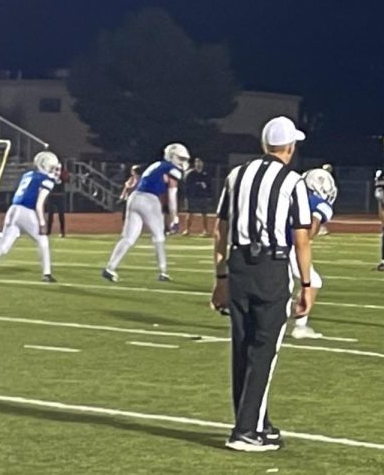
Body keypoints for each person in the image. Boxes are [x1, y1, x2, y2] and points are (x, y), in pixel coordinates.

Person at [208, 116, 312, 452]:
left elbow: (220, 231)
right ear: (290, 147)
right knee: (264, 350)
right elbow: (302, 240)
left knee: (242, 347)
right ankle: (245, 431)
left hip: (238, 266)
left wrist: (221, 278)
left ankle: (257, 422)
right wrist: (307, 283)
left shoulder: (236, 176)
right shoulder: (293, 181)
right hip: (271, 267)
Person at [103, 143, 190, 282]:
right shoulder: (171, 169)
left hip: (134, 198)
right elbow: (172, 197)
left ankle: (110, 268)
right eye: (181, 159)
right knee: (159, 236)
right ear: (171, 156)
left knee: (128, 238)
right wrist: (174, 218)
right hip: (149, 200)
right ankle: (163, 272)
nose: (183, 162)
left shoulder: (156, 165)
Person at [0, 151, 60, 284]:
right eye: (52, 167)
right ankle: (47, 274)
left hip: (13, 210)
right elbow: (39, 204)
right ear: (45, 165)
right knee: (43, 241)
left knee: (4, 245)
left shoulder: (27, 175)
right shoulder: (46, 180)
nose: (54, 170)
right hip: (27, 212)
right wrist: (42, 222)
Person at [289, 168, 337, 339]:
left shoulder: (292, 194)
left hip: (271, 242)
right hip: (290, 246)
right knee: (313, 281)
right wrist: (307, 237)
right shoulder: (318, 203)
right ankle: (300, 326)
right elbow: (314, 222)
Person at [182, 158, 213, 236]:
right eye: (197, 162)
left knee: (204, 213)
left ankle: (205, 231)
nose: (198, 164)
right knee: (190, 213)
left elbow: (209, 185)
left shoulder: (205, 174)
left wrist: (208, 194)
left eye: (200, 162)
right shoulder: (190, 173)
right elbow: (186, 185)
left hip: (203, 196)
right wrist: (197, 185)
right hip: (192, 197)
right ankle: (187, 230)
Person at [46, 164, 69, 237]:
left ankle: (62, 231)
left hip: (59, 196)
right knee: (50, 214)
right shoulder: (50, 174)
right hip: (52, 195)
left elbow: (66, 179)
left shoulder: (62, 173)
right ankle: (48, 231)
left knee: (61, 214)